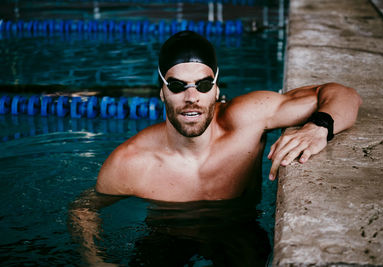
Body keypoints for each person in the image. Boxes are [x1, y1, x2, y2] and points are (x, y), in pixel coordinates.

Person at [68, 31, 361, 266]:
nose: (191, 97)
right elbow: (83, 209)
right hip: (167, 237)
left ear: (217, 89)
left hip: (238, 229)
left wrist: (319, 127)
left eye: (204, 84)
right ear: (162, 91)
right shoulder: (132, 162)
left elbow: (342, 94)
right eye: (177, 85)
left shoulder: (247, 119)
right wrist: (95, 259)